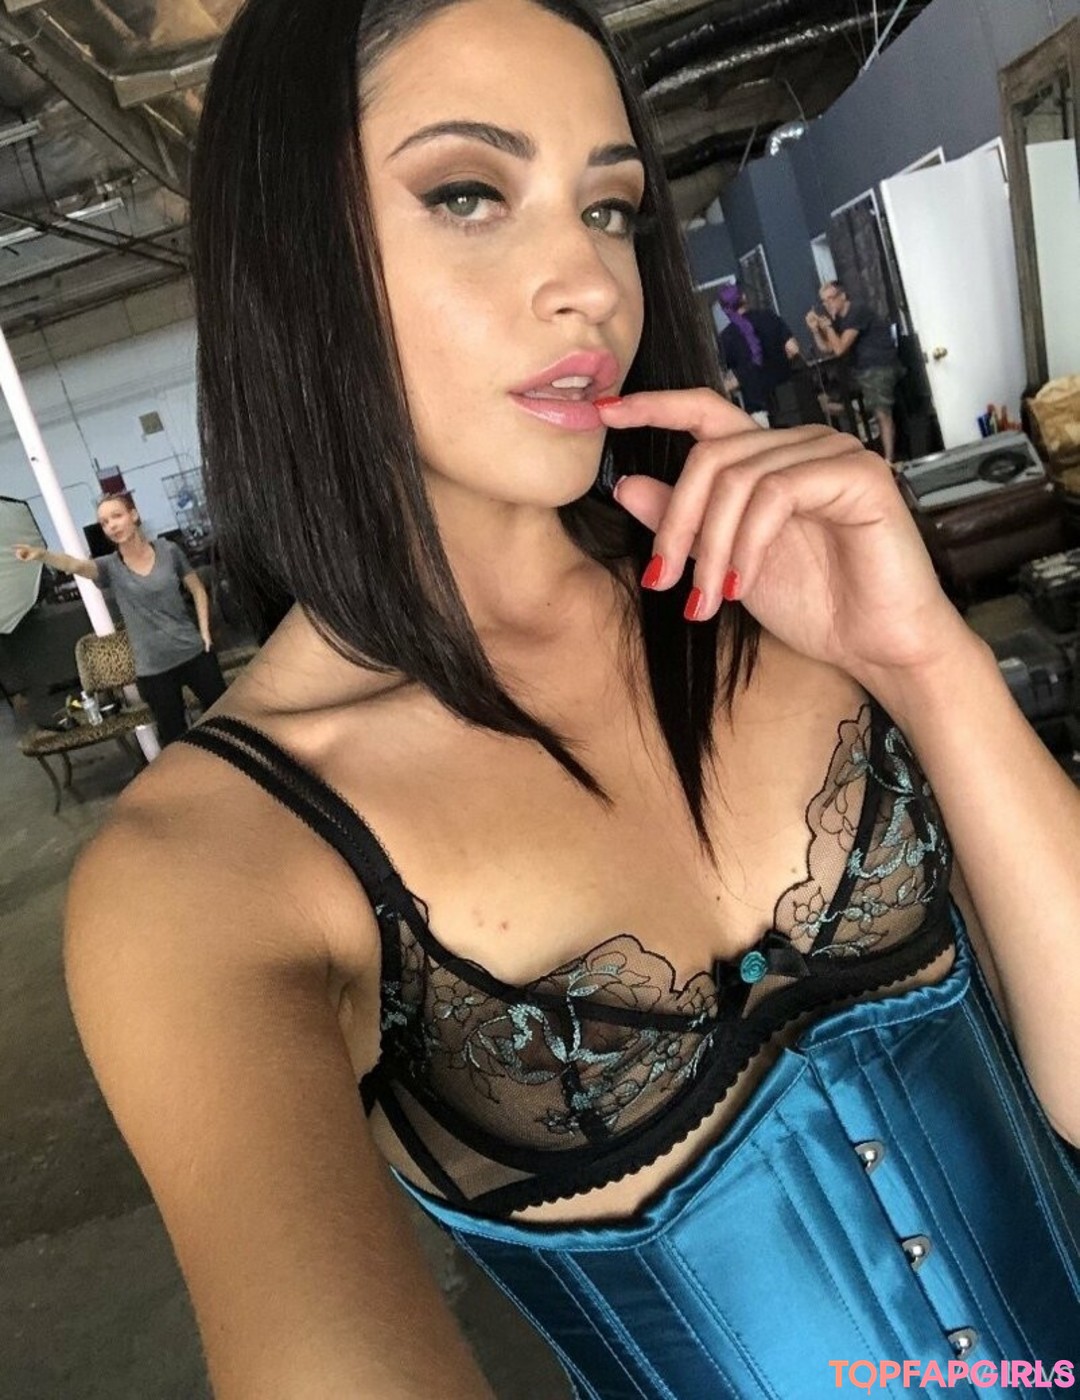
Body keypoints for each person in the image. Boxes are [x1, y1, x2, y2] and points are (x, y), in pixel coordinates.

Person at [64, 2, 1078, 1397]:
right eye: (468, 194)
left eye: (608, 208)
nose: (591, 284)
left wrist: (928, 662)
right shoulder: (211, 867)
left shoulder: (783, 598)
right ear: (290, 251)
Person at [15, 493, 226, 745]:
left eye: (116, 516)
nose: (112, 525)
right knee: (174, 740)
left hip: (194, 653)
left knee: (225, 720)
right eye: (104, 522)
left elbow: (198, 589)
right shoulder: (109, 567)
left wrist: (204, 632)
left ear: (133, 515)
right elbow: (75, 565)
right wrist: (41, 555)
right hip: (154, 669)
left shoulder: (169, 551)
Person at [807, 279, 904, 464]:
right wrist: (816, 331)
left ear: (842, 296)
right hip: (859, 371)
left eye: (831, 299)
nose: (827, 304)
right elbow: (827, 348)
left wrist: (827, 326)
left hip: (878, 366)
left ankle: (889, 459)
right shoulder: (839, 319)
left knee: (881, 412)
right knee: (825, 402)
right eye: (824, 301)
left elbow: (840, 349)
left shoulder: (856, 312)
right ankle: (859, 418)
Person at [716, 282, 800, 428]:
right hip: (789, 398)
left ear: (725, 309)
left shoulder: (725, 338)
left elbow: (728, 377)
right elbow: (794, 349)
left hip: (758, 412)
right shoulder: (769, 316)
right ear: (744, 297)